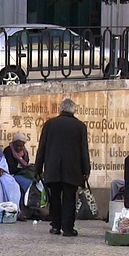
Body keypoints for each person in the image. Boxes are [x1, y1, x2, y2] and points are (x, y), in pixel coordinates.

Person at [35, 97, 90, 236]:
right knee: (69, 198)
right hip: (72, 169)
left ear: (61, 109)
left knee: (54, 197)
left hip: (52, 168)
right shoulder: (80, 126)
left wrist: (37, 168)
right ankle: (68, 228)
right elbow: (84, 150)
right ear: (73, 110)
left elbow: (42, 148)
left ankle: (55, 226)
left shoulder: (49, 124)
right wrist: (86, 170)